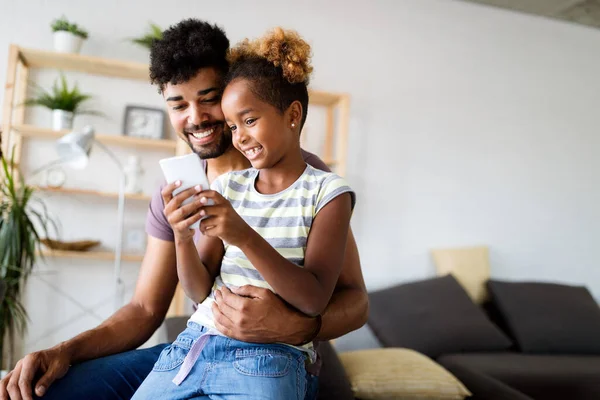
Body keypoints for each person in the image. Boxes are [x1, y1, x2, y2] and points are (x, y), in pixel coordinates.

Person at [0, 19, 367, 400]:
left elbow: (353, 300)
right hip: (199, 347)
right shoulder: (177, 192)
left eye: (208, 98)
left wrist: (294, 328)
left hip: (277, 362)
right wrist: (62, 352)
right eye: (178, 105)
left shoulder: (308, 180)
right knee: (40, 390)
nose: (195, 118)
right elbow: (145, 308)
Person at [132, 26, 355, 400]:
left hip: (269, 359)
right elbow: (199, 289)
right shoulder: (227, 189)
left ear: (293, 114)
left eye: (249, 121)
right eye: (234, 125)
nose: (239, 137)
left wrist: (244, 236)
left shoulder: (327, 193)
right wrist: (183, 238)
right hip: (195, 346)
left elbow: (314, 299)